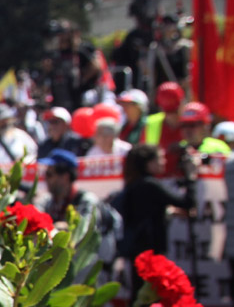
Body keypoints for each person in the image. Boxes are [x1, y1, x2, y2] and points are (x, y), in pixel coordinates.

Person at [112, 144, 196, 292]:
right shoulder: (150, 184)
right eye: (160, 158)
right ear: (148, 163)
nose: (163, 162)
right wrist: (191, 176)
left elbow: (145, 210)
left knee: (140, 293)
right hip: (150, 248)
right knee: (149, 294)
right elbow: (187, 203)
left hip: (137, 249)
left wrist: (166, 212)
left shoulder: (134, 184)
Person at [33, 149, 100, 227]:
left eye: (49, 174)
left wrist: (63, 229)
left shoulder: (86, 200)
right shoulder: (48, 201)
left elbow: (86, 229)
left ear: (65, 177)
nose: (45, 178)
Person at [142, 82, 185, 152]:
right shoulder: (150, 123)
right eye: (168, 112)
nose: (171, 117)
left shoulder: (192, 123)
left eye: (175, 112)